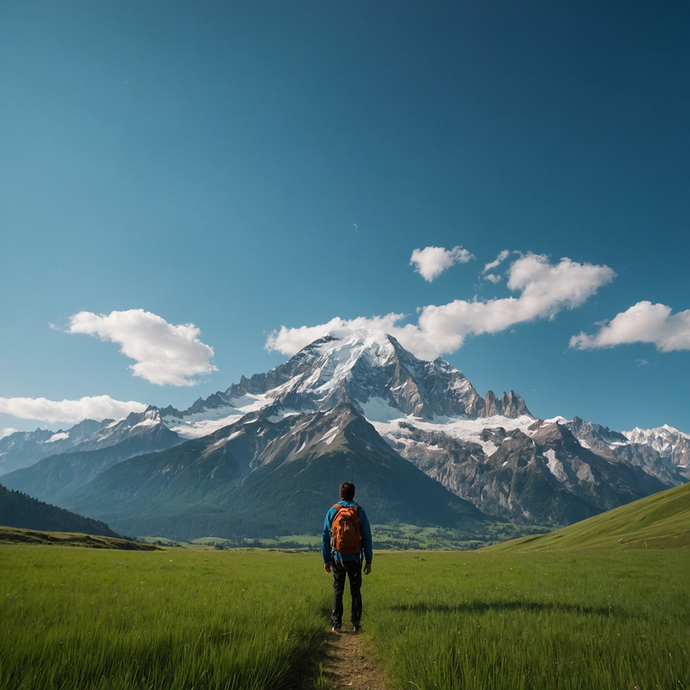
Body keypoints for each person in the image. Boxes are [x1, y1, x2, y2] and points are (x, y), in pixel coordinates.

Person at [322, 481, 373, 633]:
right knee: (355, 591)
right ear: (354, 494)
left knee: (338, 590)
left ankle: (336, 624)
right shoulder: (359, 511)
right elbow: (367, 537)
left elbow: (325, 536)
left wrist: (326, 560)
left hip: (337, 557)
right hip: (355, 557)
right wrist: (368, 560)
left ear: (340, 494)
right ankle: (356, 624)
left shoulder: (333, 511)